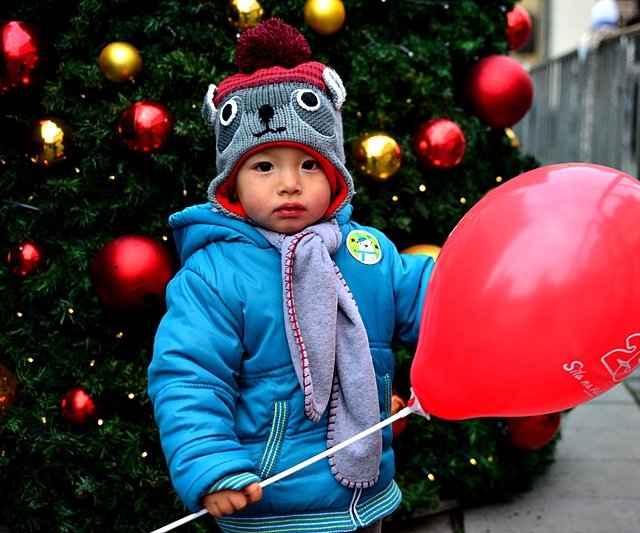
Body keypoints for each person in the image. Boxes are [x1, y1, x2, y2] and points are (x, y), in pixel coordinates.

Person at [147, 18, 434, 533]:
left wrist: (484, 291)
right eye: (264, 166)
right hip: (268, 504)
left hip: (364, 503)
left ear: (335, 175)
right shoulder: (214, 274)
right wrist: (214, 468)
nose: (288, 184)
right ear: (232, 184)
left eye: (308, 164)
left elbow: (437, 304)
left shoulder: (369, 254)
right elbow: (189, 377)